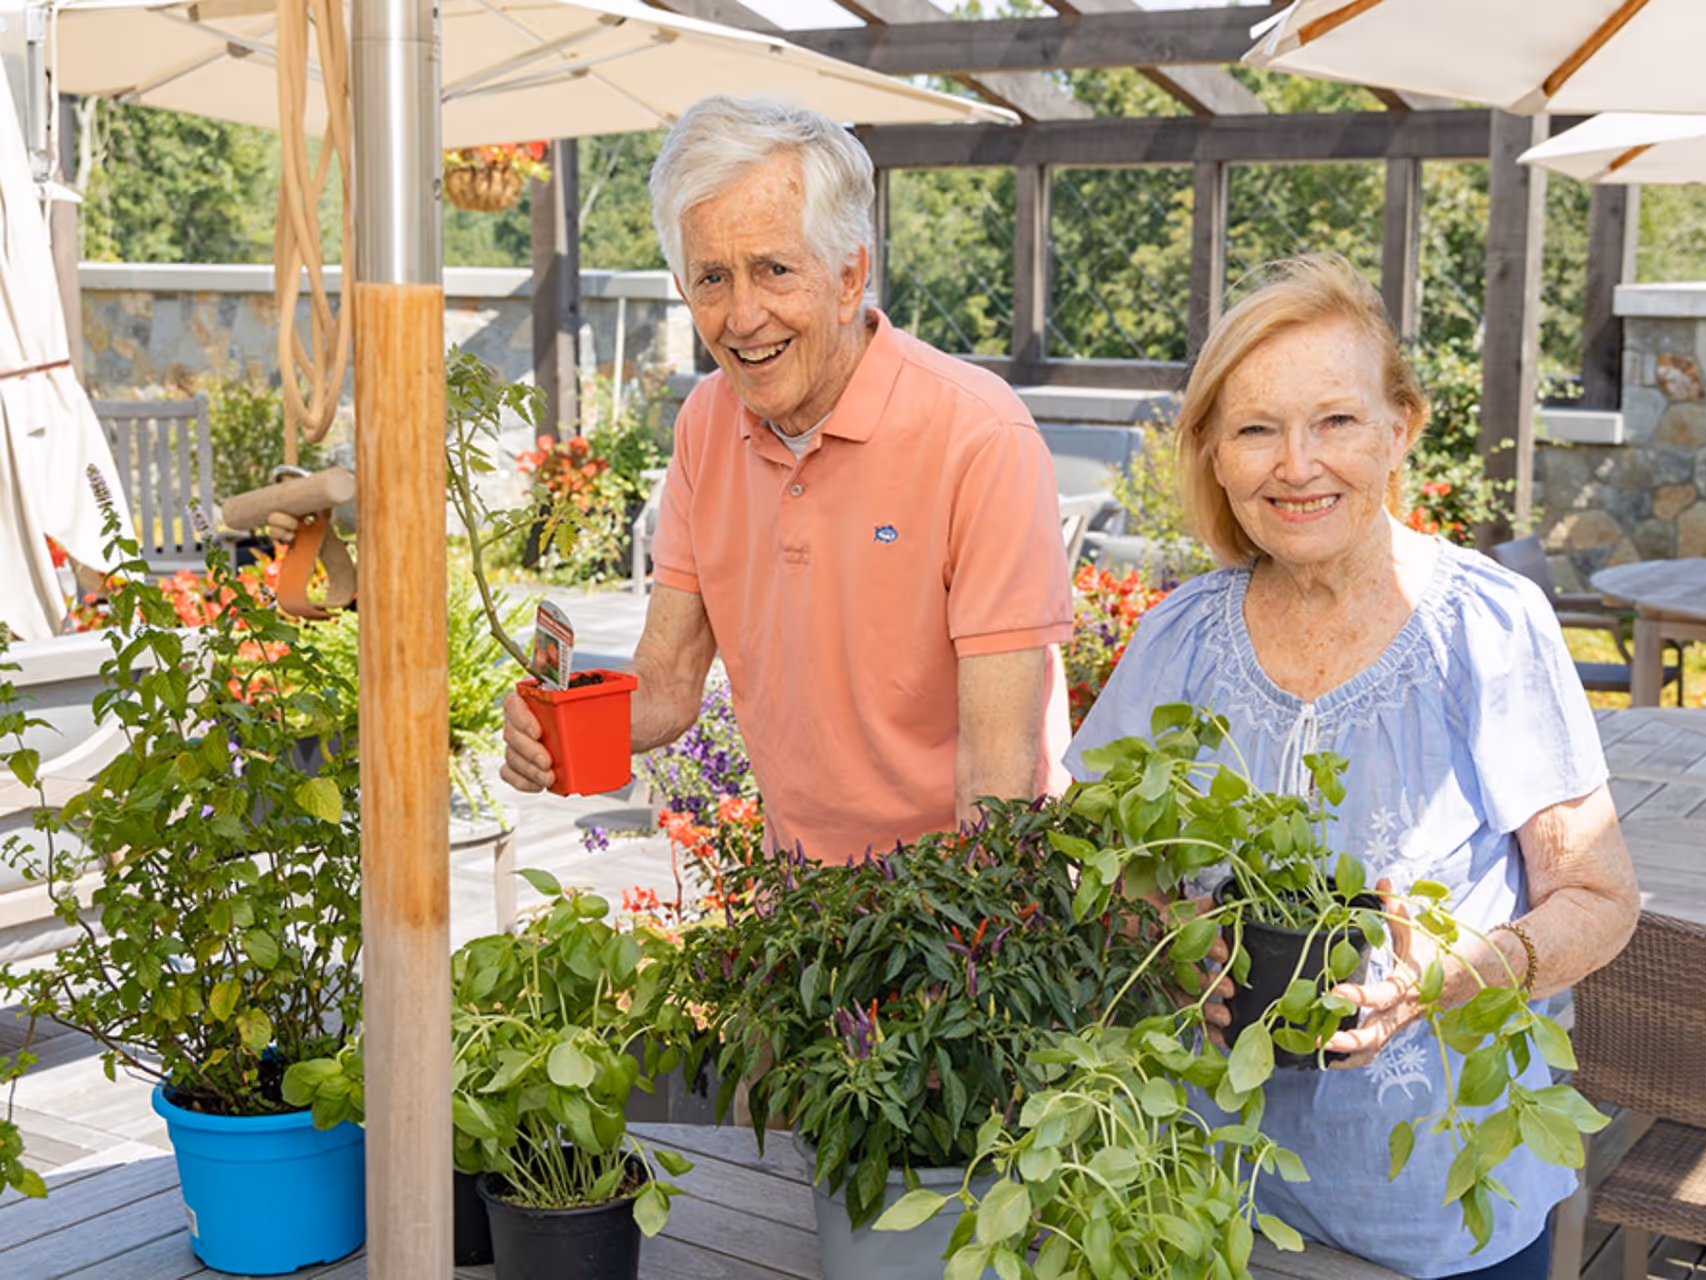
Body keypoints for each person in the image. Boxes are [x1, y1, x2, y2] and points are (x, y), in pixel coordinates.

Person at [1066, 254, 1639, 1280]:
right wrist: (1159, 932)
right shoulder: (1179, 638)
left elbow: (1599, 897)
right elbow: (1083, 856)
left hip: (1431, 1211)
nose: (1297, 464)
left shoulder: (1486, 627)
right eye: (1255, 428)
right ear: (1212, 453)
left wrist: (1454, 973)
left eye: (1334, 420)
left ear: (1399, 429)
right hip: (1200, 1200)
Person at [500, 96, 1074, 863]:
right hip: (796, 904)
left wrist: (970, 953)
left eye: (774, 270)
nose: (742, 317)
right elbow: (668, 685)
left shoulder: (979, 436)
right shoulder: (706, 425)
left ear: (848, 278)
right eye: (711, 278)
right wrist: (556, 724)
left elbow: (996, 772)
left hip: (953, 912)